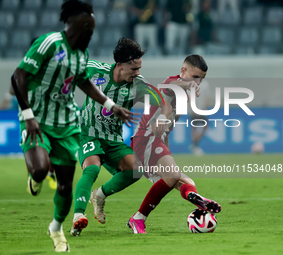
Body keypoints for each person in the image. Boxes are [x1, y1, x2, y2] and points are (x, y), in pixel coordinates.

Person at [11, 1, 136, 252]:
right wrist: (28, 114)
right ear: (73, 22)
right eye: (87, 25)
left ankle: (56, 228)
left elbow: (83, 83)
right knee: (40, 170)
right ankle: (39, 181)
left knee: (65, 187)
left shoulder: (81, 55)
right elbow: (18, 76)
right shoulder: (49, 43)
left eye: (92, 27)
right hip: (38, 119)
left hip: (67, 124)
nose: (90, 31)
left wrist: (112, 106)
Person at [70, 37, 167, 237]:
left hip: (113, 139)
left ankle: (99, 195)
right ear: (119, 65)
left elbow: (162, 102)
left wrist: (161, 119)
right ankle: (78, 217)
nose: (138, 73)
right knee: (92, 169)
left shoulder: (139, 85)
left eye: (139, 67)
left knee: (136, 170)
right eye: (133, 68)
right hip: (88, 133)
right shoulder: (95, 69)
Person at [128, 55, 221, 234]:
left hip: (156, 141)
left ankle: (199, 201)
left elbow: (167, 129)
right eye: (195, 77)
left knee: (185, 181)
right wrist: (188, 84)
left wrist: (167, 152)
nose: (198, 82)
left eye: (201, 79)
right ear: (183, 71)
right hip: (145, 138)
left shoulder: (184, 96)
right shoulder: (173, 83)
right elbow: (166, 87)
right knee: (172, 176)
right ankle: (138, 218)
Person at [189, 78, 210, 155]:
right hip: (194, 111)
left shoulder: (205, 83)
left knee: (205, 127)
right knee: (194, 127)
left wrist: (203, 108)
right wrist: (193, 109)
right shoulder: (191, 84)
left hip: (202, 110)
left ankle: (195, 143)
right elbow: (189, 99)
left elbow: (206, 97)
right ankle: (195, 145)